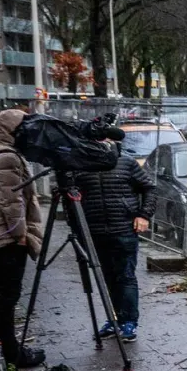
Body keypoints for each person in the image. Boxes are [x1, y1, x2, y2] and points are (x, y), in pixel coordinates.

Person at [73, 146, 156, 342]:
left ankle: (129, 322)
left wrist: (144, 215)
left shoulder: (126, 162)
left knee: (125, 276)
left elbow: (149, 188)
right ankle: (114, 320)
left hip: (124, 229)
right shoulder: (81, 164)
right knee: (106, 277)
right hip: (94, 230)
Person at [0, 109, 46, 368]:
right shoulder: (6, 157)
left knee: (2, 297)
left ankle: (12, 350)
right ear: (13, 130)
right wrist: (21, 235)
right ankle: (14, 354)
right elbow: (12, 201)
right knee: (7, 297)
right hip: (4, 238)